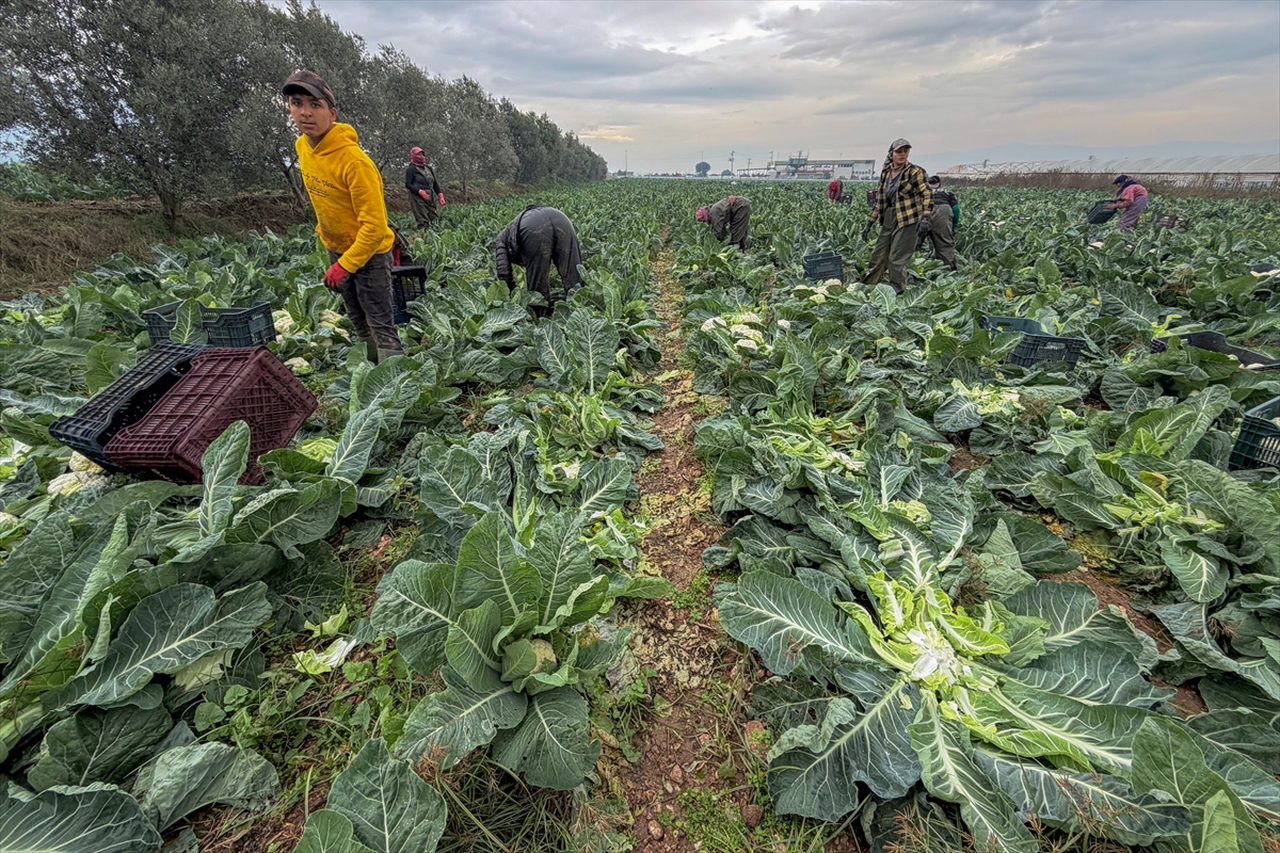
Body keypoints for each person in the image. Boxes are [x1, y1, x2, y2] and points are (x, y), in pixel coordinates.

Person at [284, 70, 402, 364]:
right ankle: (371, 369)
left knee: (380, 322)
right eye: (297, 103)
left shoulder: (355, 162)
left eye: (315, 104)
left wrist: (345, 266)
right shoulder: (302, 147)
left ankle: (397, 382)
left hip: (369, 252)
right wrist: (333, 247)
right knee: (357, 317)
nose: (305, 112)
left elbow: (375, 227)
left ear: (332, 113)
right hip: (337, 248)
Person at [863, 138, 932, 293]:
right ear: (891, 154)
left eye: (905, 151)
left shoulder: (915, 172)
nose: (902, 154)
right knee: (878, 255)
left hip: (908, 219)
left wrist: (925, 217)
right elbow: (880, 200)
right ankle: (868, 289)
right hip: (889, 216)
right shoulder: (886, 172)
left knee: (896, 259)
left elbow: (927, 194)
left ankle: (898, 291)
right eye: (899, 151)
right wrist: (870, 223)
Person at [495, 205, 582, 311]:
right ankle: (580, 306)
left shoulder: (501, 240)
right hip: (561, 218)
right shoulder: (509, 232)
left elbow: (503, 271)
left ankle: (540, 315)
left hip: (532, 227)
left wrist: (509, 292)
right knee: (572, 269)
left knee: (538, 277)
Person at [918, 175, 959, 271]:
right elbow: (956, 209)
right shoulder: (947, 193)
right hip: (943, 211)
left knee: (911, 244)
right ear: (939, 184)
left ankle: (909, 271)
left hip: (923, 210)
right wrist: (955, 225)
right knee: (945, 246)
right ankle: (947, 273)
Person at [405, 147, 445, 229]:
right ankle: (424, 237)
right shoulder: (411, 169)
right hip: (417, 196)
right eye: (418, 154)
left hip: (430, 195)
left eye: (422, 154)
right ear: (413, 156)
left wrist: (440, 195)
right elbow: (408, 184)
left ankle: (435, 236)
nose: (421, 156)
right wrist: (419, 191)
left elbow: (434, 183)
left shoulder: (428, 168)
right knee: (422, 218)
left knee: (433, 217)